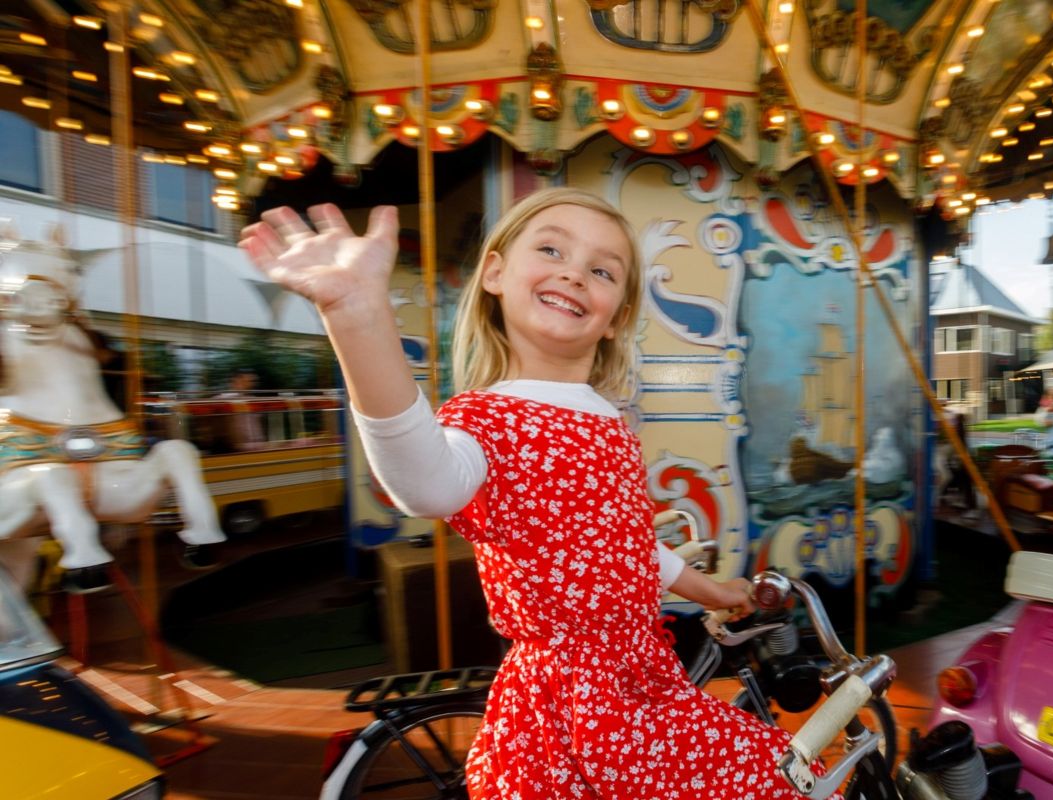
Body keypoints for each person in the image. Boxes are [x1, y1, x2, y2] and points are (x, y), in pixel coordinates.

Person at [240, 189, 831, 800]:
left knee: (782, 771)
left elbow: (624, 546)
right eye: (551, 249)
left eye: (603, 271)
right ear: (495, 272)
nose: (574, 272)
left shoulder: (608, 419)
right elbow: (424, 483)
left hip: (644, 680)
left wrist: (713, 590)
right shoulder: (487, 418)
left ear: (617, 315)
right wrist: (358, 316)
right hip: (572, 705)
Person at [216, 368, 264, 452]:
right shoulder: (224, 398)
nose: (251, 385)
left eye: (252, 381)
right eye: (247, 381)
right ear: (235, 381)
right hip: (237, 449)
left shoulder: (254, 399)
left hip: (257, 446)